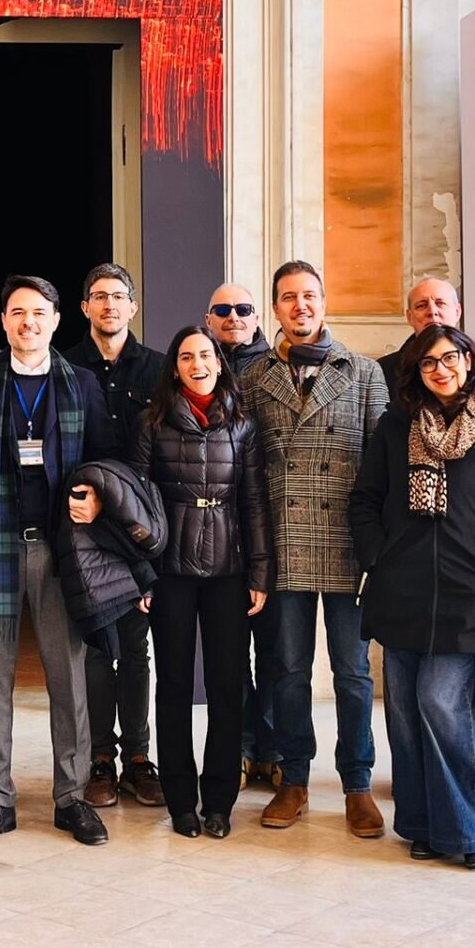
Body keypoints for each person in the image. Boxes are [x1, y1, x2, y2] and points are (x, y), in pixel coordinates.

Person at [0, 275, 118, 849]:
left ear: (57, 320)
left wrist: (97, 503)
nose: (29, 322)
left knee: (68, 678)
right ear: (3, 321)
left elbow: (104, 463)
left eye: (39, 312)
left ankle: (71, 798)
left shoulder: (82, 384)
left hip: (61, 552)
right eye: (18, 312)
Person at [352, 326, 475, 870]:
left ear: (469, 360)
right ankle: (422, 824)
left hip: (466, 590)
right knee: (405, 713)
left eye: (449, 357)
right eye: (428, 362)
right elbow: (365, 499)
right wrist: (377, 556)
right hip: (400, 587)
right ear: (416, 371)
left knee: (440, 702)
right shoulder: (396, 426)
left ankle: (469, 829)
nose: (440, 369)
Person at [242, 260, 389, 836]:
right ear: (275, 308)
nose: (299, 305)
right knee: (287, 671)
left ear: (324, 303)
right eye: (288, 297)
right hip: (284, 544)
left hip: (347, 543)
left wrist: (377, 549)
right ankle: (294, 779)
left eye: (309, 295)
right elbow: (246, 471)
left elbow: (380, 470)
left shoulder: (364, 373)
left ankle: (357, 784)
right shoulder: (253, 379)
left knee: (353, 674)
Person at [131, 326, 274, 838]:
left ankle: (219, 801)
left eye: (206, 355)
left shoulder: (242, 423)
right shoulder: (152, 422)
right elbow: (137, 504)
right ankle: (180, 801)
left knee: (226, 686)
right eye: (187, 357)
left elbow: (254, 501)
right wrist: (142, 575)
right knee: (172, 685)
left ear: (219, 362)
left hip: (228, 573)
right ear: (175, 368)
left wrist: (260, 570)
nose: (198, 364)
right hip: (168, 572)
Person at [65, 262, 164, 809]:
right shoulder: (64, 366)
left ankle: (139, 760)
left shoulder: (159, 369)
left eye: (118, 296)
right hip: (84, 526)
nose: (108, 305)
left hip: (140, 530)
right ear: (85, 307)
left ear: (133, 306)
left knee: (135, 647)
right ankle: (101, 760)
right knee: (97, 646)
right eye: (98, 296)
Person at [203, 282, 278, 788]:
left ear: (257, 317)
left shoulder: (276, 369)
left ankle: (273, 750)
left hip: (271, 527)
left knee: (275, 653)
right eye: (223, 309)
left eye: (243, 309)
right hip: (216, 535)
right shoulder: (196, 366)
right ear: (208, 318)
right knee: (230, 656)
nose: (233, 316)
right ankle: (245, 747)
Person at [376, 278, 475, 386]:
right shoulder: (384, 372)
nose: (432, 311)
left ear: (457, 312)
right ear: (410, 317)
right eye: (421, 305)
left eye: (440, 303)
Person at [205, 282, 271, 378]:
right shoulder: (200, 368)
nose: (233, 318)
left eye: (243, 310)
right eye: (223, 310)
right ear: (208, 321)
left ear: (255, 320)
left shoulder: (277, 367)